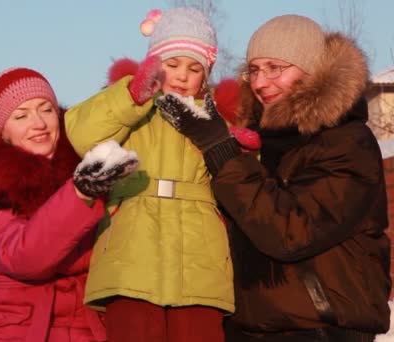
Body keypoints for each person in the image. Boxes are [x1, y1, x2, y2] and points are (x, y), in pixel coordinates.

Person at [155, 14, 391, 341]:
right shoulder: (254, 141)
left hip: (320, 328)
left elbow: (291, 231)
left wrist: (222, 153)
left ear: (313, 71)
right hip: (249, 327)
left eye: (274, 68)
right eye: (253, 70)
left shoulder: (347, 143)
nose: (260, 83)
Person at [65, 7, 240, 342]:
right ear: (154, 64)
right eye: (172, 64)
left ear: (206, 74)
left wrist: (238, 146)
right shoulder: (129, 109)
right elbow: (82, 134)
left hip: (199, 263)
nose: (182, 75)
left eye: (194, 68)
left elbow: (239, 179)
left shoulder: (217, 121)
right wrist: (130, 96)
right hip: (131, 256)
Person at [0, 67, 139, 342]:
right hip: (11, 330)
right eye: (21, 115)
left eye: (46, 109)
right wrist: (80, 193)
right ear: (2, 131)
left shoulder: (96, 169)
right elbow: (23, 256)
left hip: (88, 329)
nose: (38, 123)